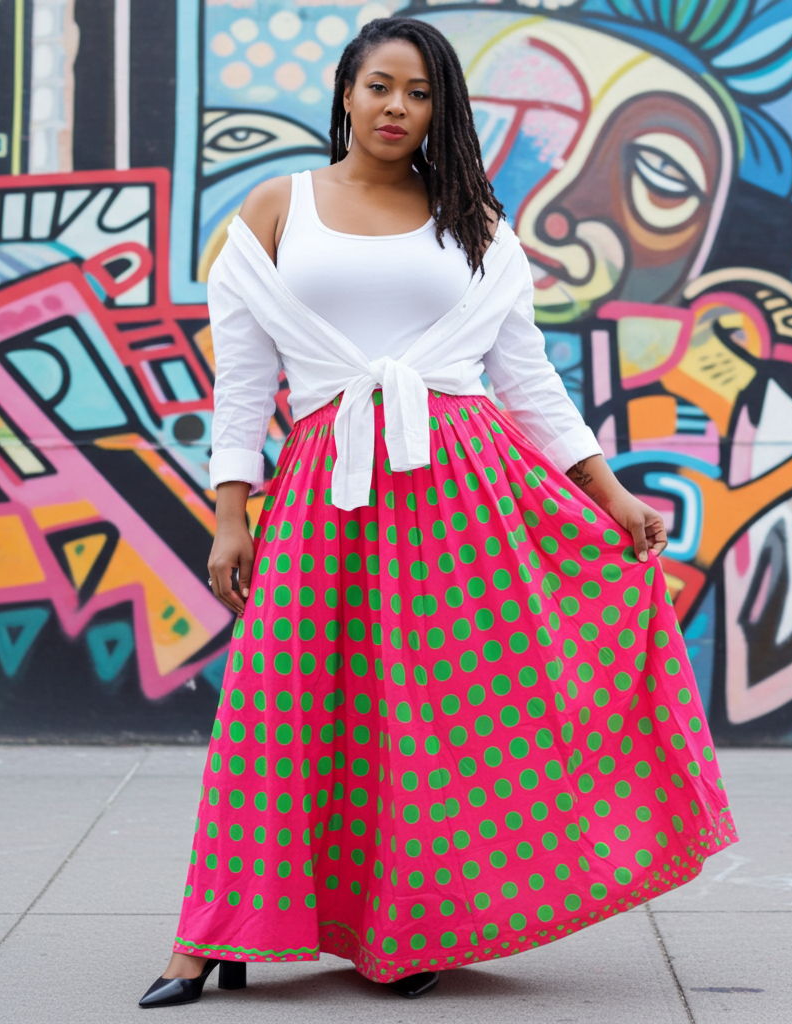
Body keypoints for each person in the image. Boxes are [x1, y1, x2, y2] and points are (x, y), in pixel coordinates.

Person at [139, 16, 736, 1009]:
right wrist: (229, 514)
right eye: (380, 86)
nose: (395, 108)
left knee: (439, 728)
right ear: (345, 90)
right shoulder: (277, 207)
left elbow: (528, 382)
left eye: (418, 94)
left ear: (439, 109)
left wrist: (609, 492)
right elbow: (242, 385)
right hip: (328, 491)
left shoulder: (473, 219)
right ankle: (212, 937)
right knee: (276, 715)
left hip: (465, 496)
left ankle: (412, 925)